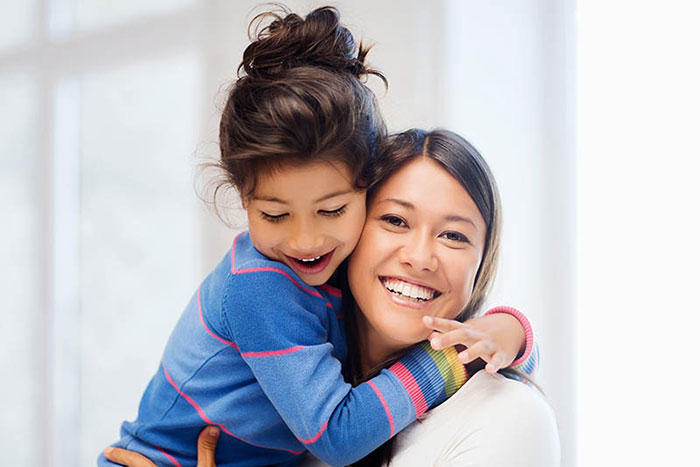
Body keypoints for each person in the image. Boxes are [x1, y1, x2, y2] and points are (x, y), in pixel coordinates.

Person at [98, 7, 535, 467]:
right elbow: (337, 436)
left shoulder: (334, 273)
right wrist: (452, 359)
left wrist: (512, 333)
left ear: (365, 189)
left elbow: (507, 355)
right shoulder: (262, 287)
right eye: (274, 214)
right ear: (243, 201)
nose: (306, 240)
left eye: (332, 210)